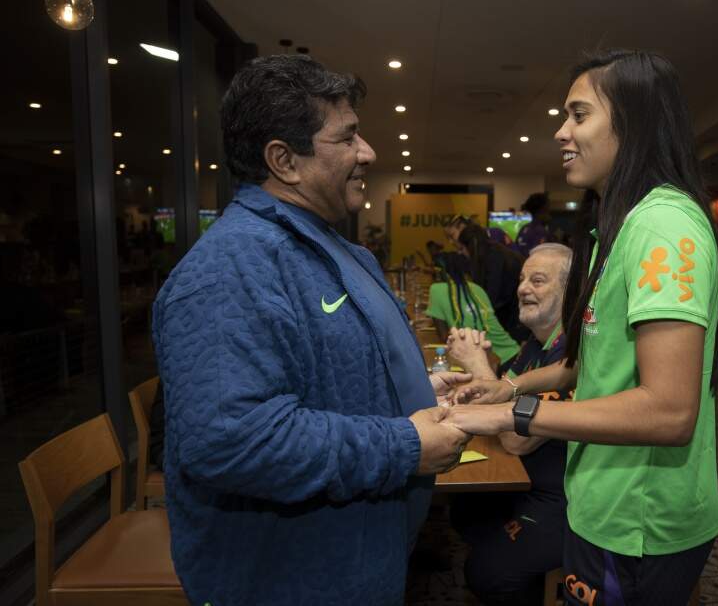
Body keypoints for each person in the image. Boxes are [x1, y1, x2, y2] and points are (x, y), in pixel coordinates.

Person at [151, 55, 472, 606]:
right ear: (284, 160)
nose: (367, 152)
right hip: (295, 579)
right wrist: (404, 445)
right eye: (346, 137)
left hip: (361, 561)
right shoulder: (230, 270)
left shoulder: (331, 247)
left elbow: (327, 366)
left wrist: (406, 389)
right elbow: (234, 440)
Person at [445, 49, 718, 605]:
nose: (561, 131)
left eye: (578, 114)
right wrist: (512, 385)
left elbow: (669, 410)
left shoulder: (662, 225)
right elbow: (591, 361)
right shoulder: (616, 227)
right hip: (600, 502)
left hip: (639, 519)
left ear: (633, 122)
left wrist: (510, 413)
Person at [446, 243, 572, 606]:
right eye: (521, 279)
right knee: (465, 513)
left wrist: (477, 366)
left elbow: (516, 439)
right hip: (523, 481)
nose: (522, 288)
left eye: (538, 280)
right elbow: (495, 400)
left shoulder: (572, 355)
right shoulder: (532, 345)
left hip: (563, 497)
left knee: (486, 571)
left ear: (570, 292)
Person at [426, 251, 520, 364]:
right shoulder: (477, 288)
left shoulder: (436, 289)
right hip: (513, 352)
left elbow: (444, 337)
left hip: (494, 361)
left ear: (438, 271)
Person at [458, 222, 529, 342]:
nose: (460, 253)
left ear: (471, 246)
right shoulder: (492, 252)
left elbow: (490, 298)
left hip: (516, 316)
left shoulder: (494, 257)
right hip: (513, 312)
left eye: (461, 248)